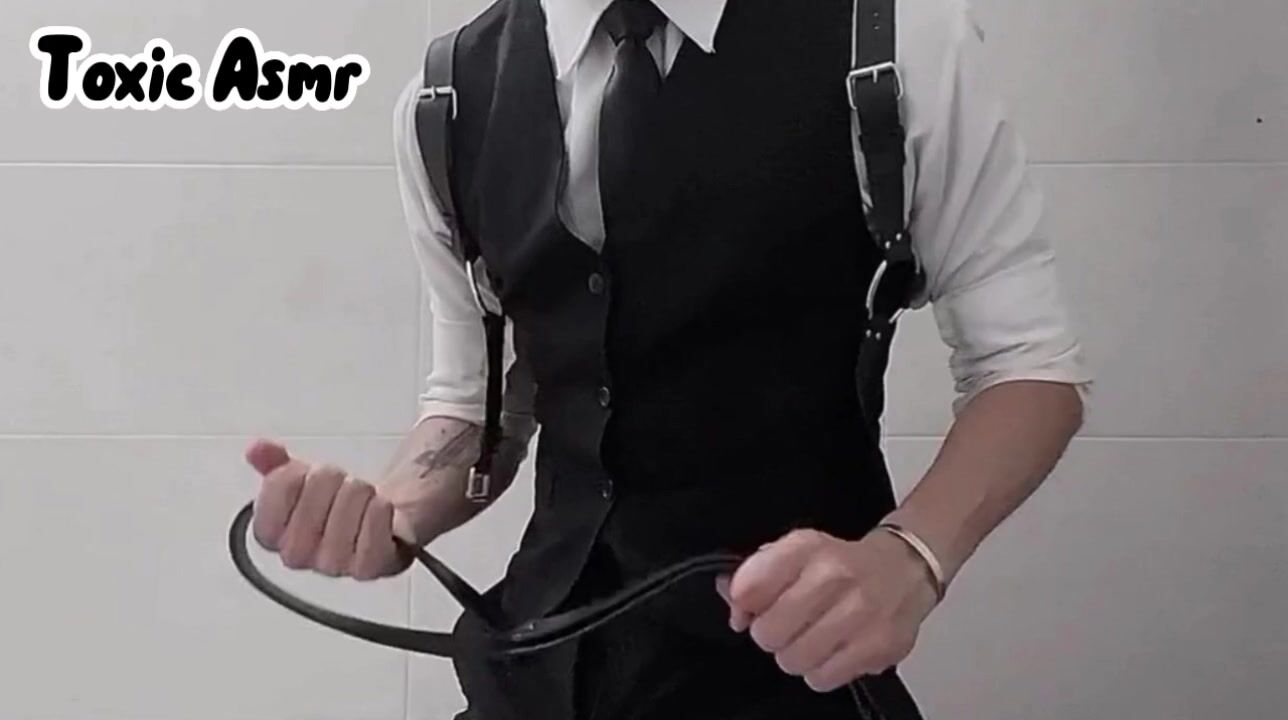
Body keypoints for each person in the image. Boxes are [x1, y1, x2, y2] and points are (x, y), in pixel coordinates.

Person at [243, 0, 1092, 717]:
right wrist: (390, 512)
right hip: (532, 676)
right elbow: (476, 405)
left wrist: (911, 557)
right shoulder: (446, 96)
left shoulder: (895, 46)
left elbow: (1028, 368)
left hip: (791, 684)